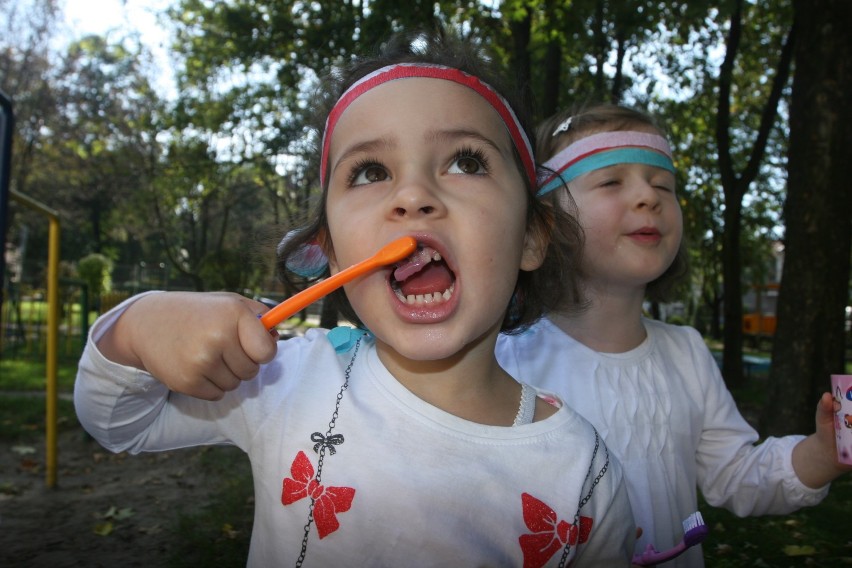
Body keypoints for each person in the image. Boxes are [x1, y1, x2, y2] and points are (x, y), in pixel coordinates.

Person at [74, 32, 636, 567]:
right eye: (370, 171)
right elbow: (121, 424)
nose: (413, 195)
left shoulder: (583, 474)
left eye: (466, 162)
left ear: (531, 236)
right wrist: (139, 328)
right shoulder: (282, 382)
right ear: (333, 255)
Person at [496, 103, 851, 567]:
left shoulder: (687, 352)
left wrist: (823, 453)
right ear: (543, 224)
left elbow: (736, 474)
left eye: (663, 184)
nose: (649, 196)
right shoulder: (504, 363)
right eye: (611, 181)